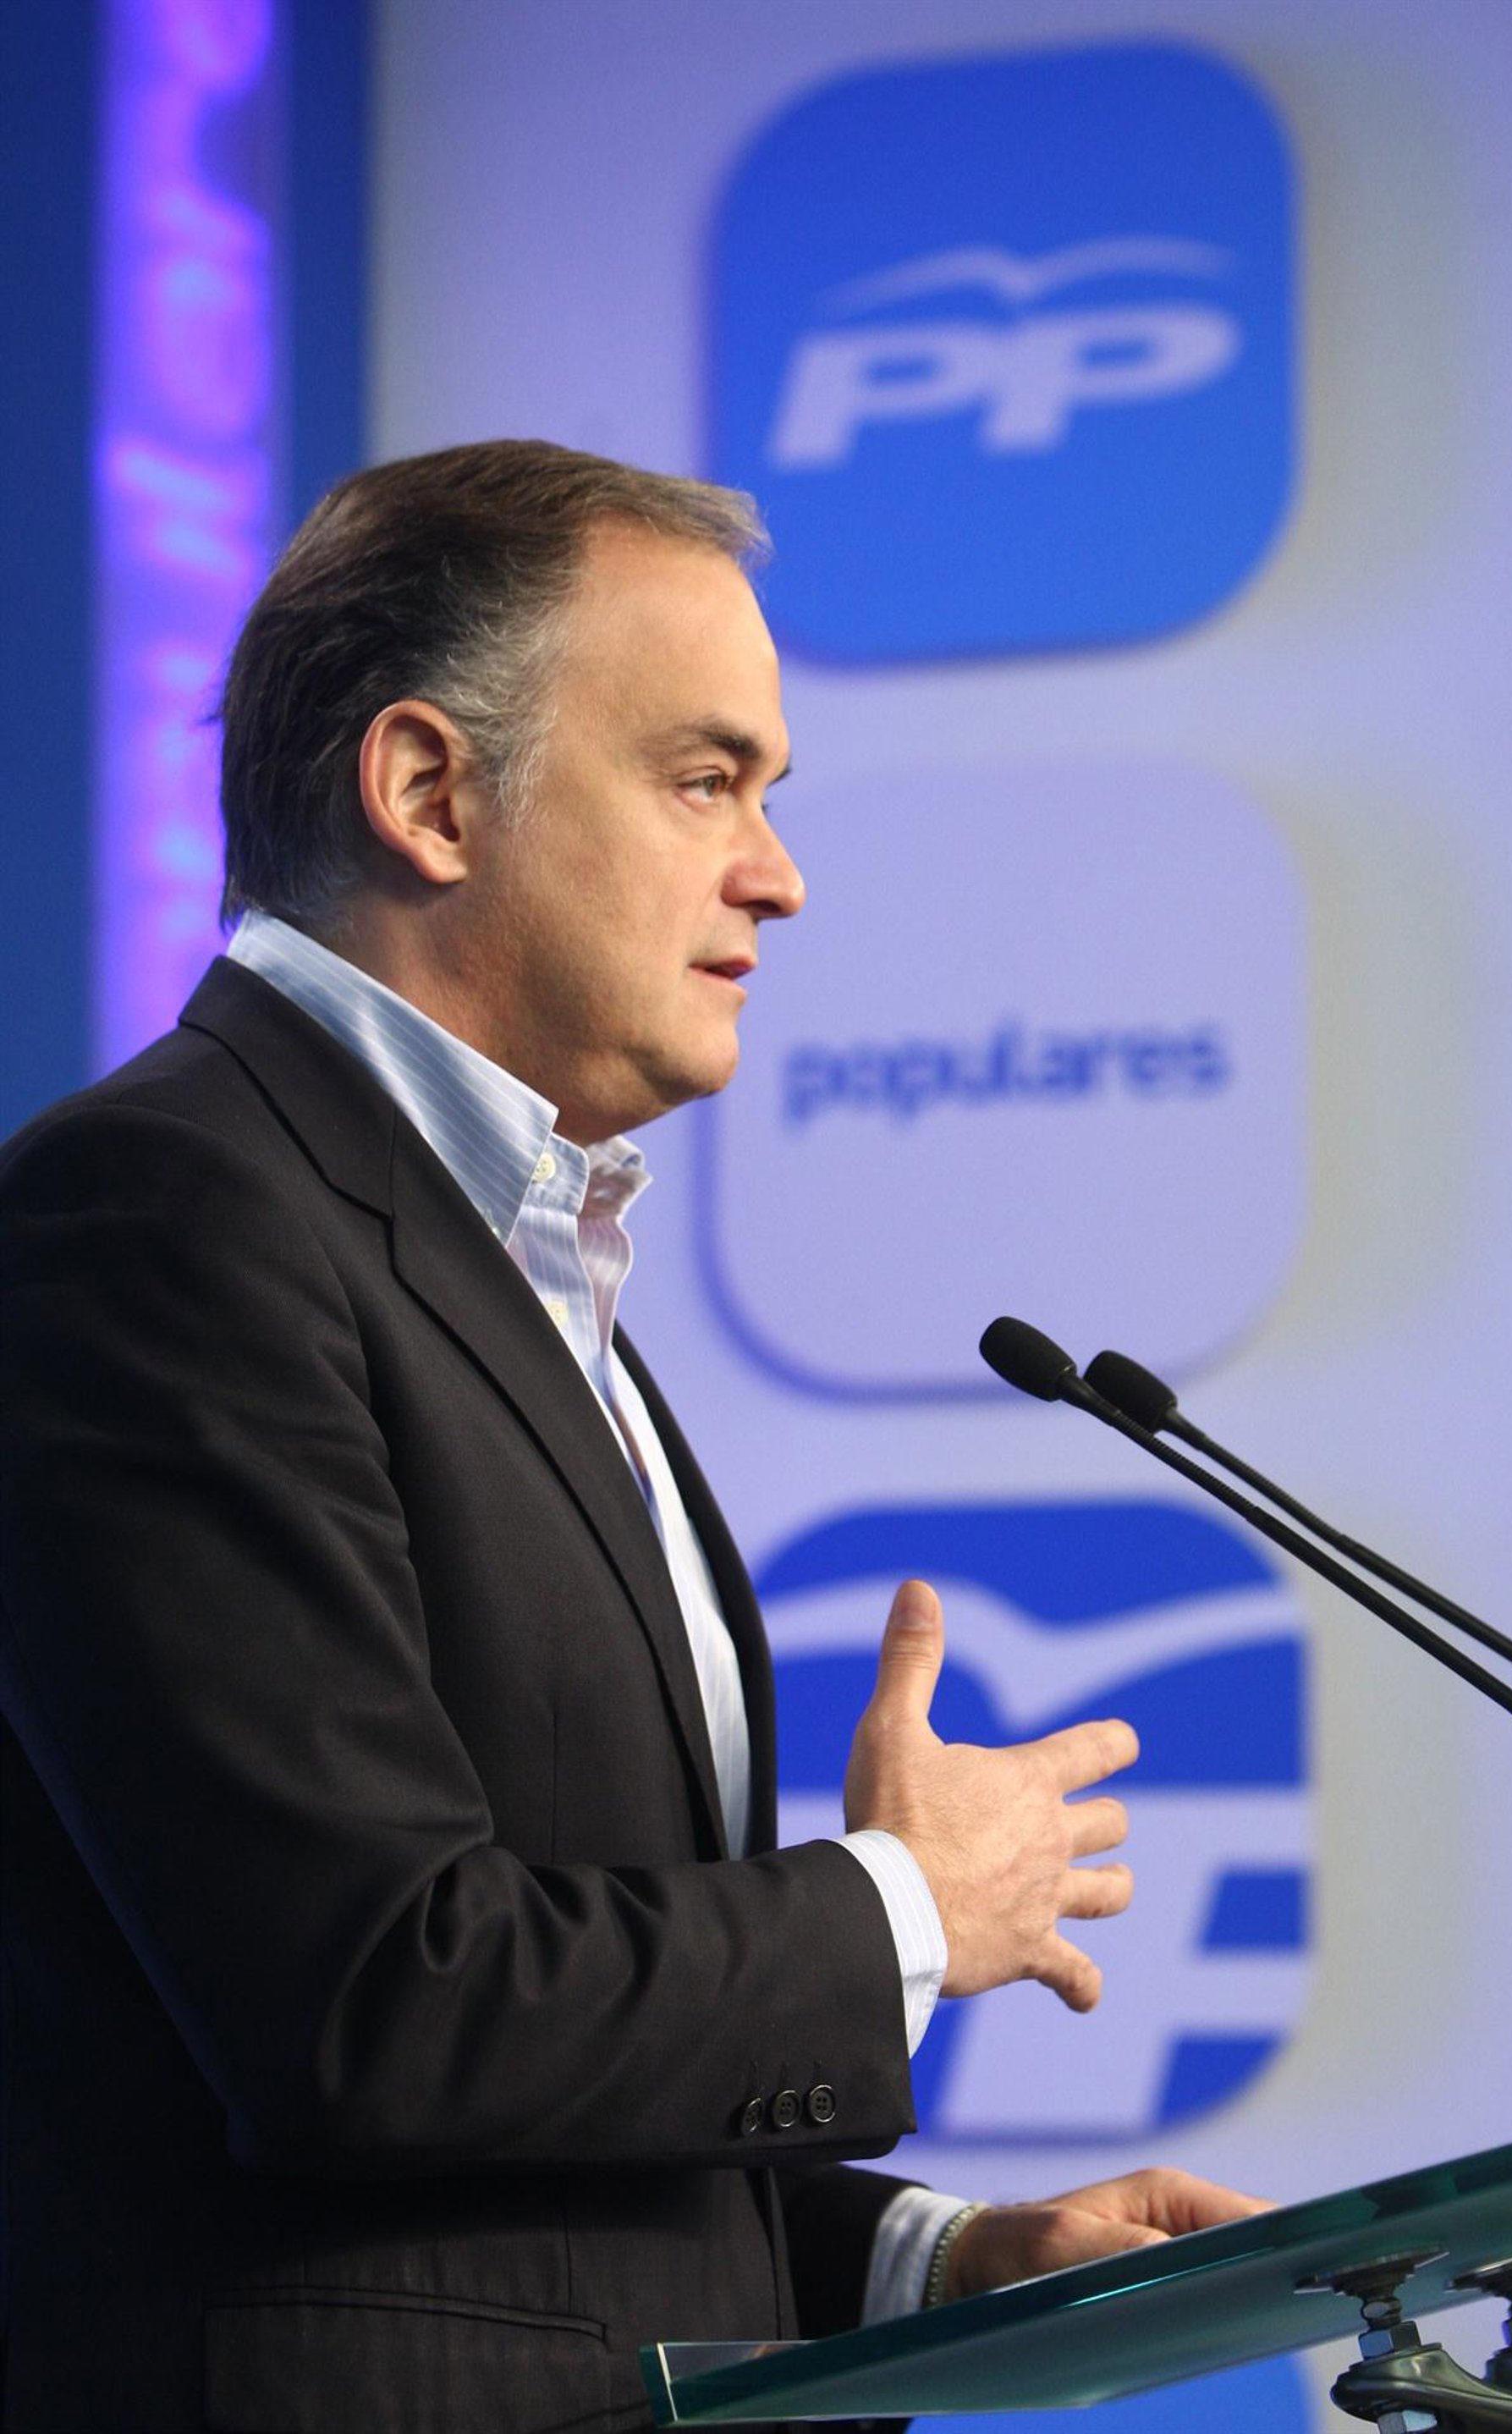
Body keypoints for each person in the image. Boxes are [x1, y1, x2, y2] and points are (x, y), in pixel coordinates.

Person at [0, 441, 1263, 2434]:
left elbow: (507, 2159)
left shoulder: (511, 1259)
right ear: (430, 792)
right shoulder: (163, 1215)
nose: (777, 872)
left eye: (770, 793)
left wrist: (930, 2264)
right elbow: (367, 2001)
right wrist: (903, 1906)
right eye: (704, 780)